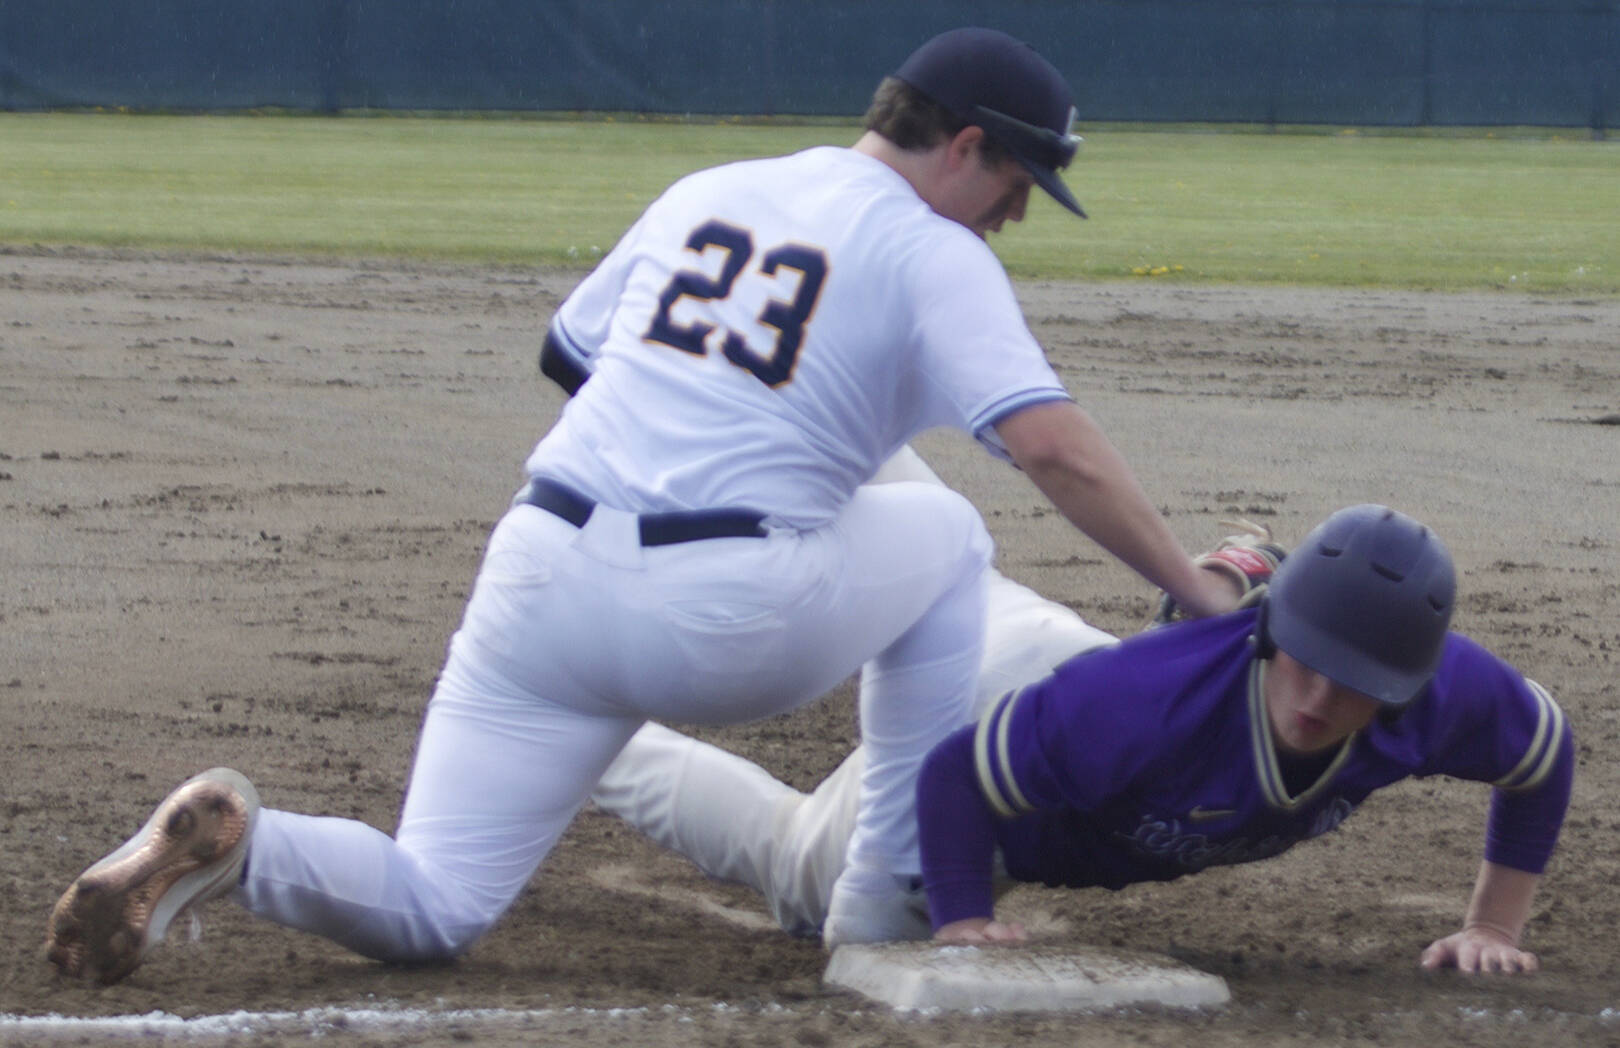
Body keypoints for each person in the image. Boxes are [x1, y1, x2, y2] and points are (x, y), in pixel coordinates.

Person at [46, 27, 1240, 985]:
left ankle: (252, 843)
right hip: (726, 621)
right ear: (968, 144)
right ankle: (878, 909)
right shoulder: (935, 252)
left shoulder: (709, 189)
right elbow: (1052, 449)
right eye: (1019, 183)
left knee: (435, 898)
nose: (1014, 213)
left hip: (538, 577)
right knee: (949, 539)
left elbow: (572, 354)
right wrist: (1190, 587)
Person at [591, 505, 1572, 974]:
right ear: (1272, 633)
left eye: (1353, 685)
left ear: (1402, 687)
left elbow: (1543, 756)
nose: (1317, 699)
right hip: (1010, 702)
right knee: (805, 879)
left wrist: (1494, 925)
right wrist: (962, 912)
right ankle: (581, 736)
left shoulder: (1448, 696)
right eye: (1304, 661)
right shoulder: (1145, 703)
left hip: (1059, 665)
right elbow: (955, 778)